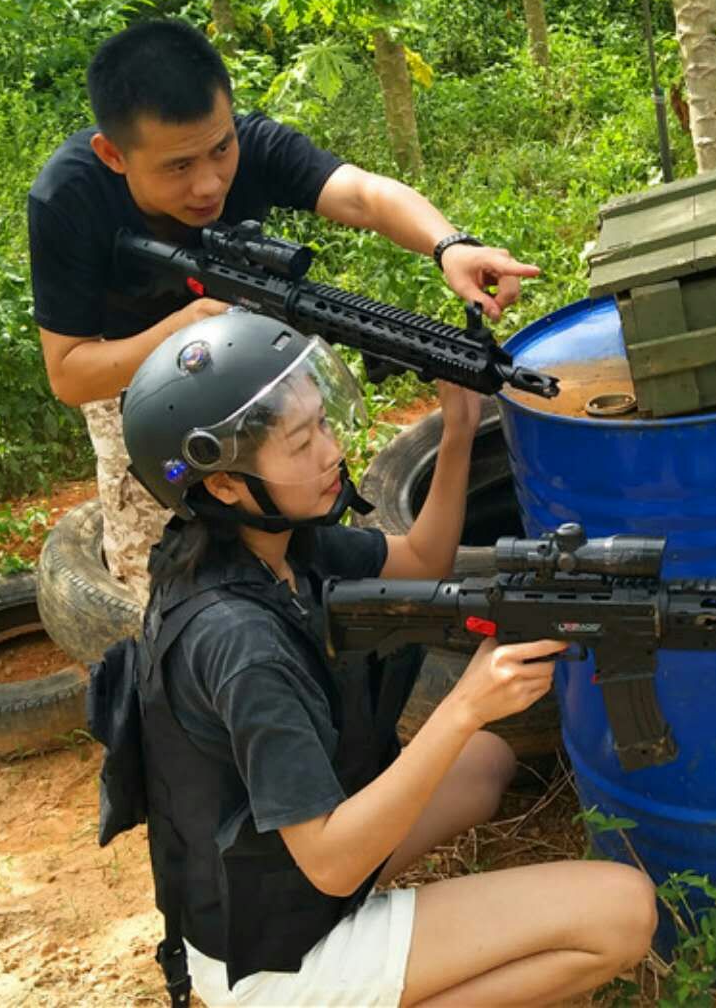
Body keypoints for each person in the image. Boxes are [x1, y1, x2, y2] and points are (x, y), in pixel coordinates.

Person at [112, 310, 656, 1007]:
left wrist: (458, 432)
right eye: (301, 442)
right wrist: (461, 708)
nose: (330, 452)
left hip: (254, 877)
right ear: (223, 484)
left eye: (323, 425)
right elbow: (334, 866)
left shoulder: (267, 548)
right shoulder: (241, 646)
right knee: (622, 912)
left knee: (485, 765)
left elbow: (422, 560)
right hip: (277, 949)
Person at [28, 19, 540, 595]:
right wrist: (183, 329)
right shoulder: (68, 198)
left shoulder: (247, 143)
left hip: (259, 364)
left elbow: (364, 195)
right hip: (140, 392)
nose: (209, 184)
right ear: (113, 155)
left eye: (221, 149)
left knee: (302, 541)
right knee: (162, 581)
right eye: (178, 167)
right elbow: (69, 372)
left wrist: (450, 245)